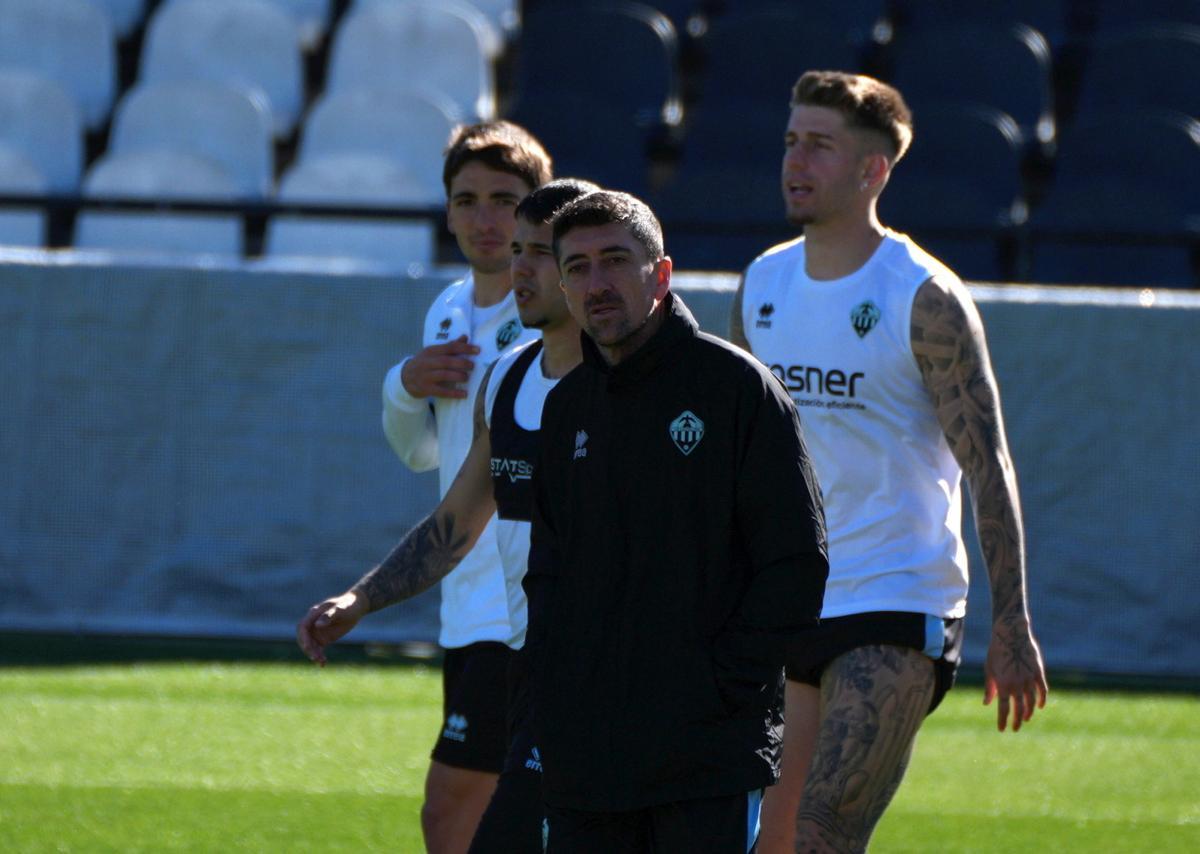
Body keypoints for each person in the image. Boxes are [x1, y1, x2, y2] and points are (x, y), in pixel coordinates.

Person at [729, 70, 1050, 853]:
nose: (795, 161)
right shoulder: (762, 282)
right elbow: (741, 454)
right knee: (765, 843)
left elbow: (988, 464)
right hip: (790, 597)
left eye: (820, 146)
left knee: (821, 836)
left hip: (896, 599)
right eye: (791, 142)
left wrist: (1011, 619)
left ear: (874, 170)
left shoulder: (924, 297)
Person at [297, 178, 598, 854]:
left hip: (619, 669)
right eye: (517, 250)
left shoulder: (654, 382)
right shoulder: (511, 379)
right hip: (523, 645)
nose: (520, 267)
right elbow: (456, 522)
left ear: (586, 265)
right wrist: (359, 600)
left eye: (540, 252)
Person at [524, 190, 829, 852]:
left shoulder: (736, 389)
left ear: (660, 275)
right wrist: (558, 684)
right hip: (588, 751)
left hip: (704, 752)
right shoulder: (566, 406)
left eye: (614, 261)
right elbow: (547, 567)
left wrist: (719, 686)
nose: (595, 283)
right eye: (576, 267)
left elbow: (796, 564)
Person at [377, 120, 552, 853]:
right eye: (467, 199)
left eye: (505, 200)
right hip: (468, 600)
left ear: (539, 208)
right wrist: (402, 383)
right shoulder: (449, 306)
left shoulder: (555, 310)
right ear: (447, 210)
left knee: (455, 811)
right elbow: (424, 455)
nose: (485, 219)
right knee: (477, 815)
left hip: (531, 599)